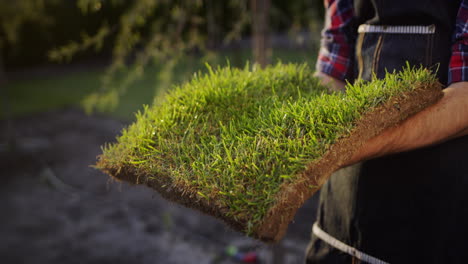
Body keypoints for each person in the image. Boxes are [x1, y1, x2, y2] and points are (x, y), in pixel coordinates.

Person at [305, 0, 468, 263]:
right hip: (339, 216)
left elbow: (465, 100)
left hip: (430, 216)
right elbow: (333, 64)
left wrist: (344, 146)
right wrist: (301, 135)